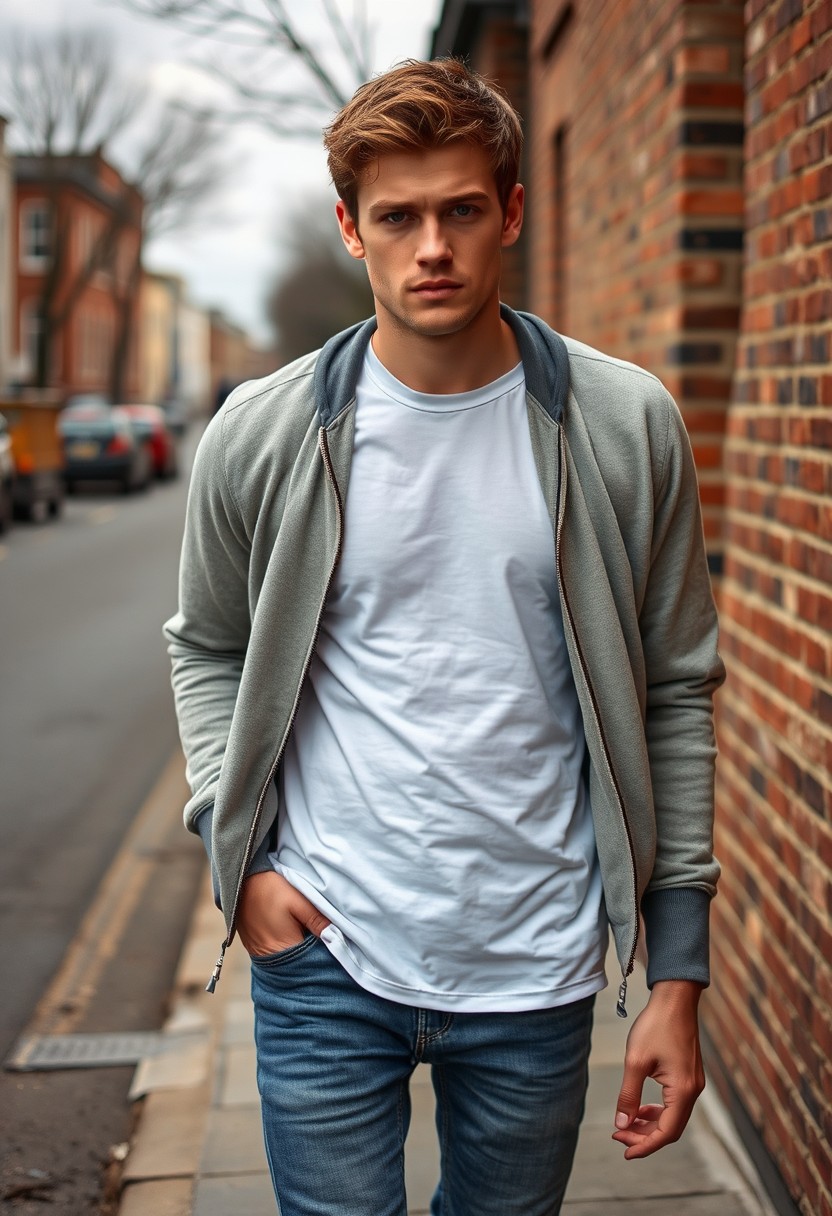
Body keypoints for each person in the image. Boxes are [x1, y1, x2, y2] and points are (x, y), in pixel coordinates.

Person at [164, 58, 724, 1216]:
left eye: (462, 209)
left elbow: (673, 688)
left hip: (538, 957)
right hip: (323, 952)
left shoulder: (624, 427)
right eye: (398, 217)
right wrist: (241, 857)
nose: (433, 246)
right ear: (350, 231)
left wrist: (677, 972)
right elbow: (208, 645)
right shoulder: (261, 436)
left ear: (511, 210)